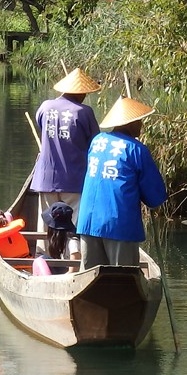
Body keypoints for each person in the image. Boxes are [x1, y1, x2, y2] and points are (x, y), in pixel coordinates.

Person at [76, 96, 167, 269]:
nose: (141, 124)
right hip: (118, 224)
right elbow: (156, 197)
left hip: (88, 221)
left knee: (90, 279)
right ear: (130, 124)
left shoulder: (97, 141)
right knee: (122, 278)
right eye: (138, 121)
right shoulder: (136, 149)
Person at [31, 67, 101, 215]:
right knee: (74, 228)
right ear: (80, 92)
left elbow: (42, 127)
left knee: (46, 226)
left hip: (46, 179)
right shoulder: (84, 112)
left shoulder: (45, 107)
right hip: (74, 180)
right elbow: (95, 144)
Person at [36, 200, 80, 274]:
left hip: (70, 276)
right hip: (65, 270)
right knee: (42, 259)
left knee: (43, 259)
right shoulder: (63, 239)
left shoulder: (73, 242)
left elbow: (74, 270)